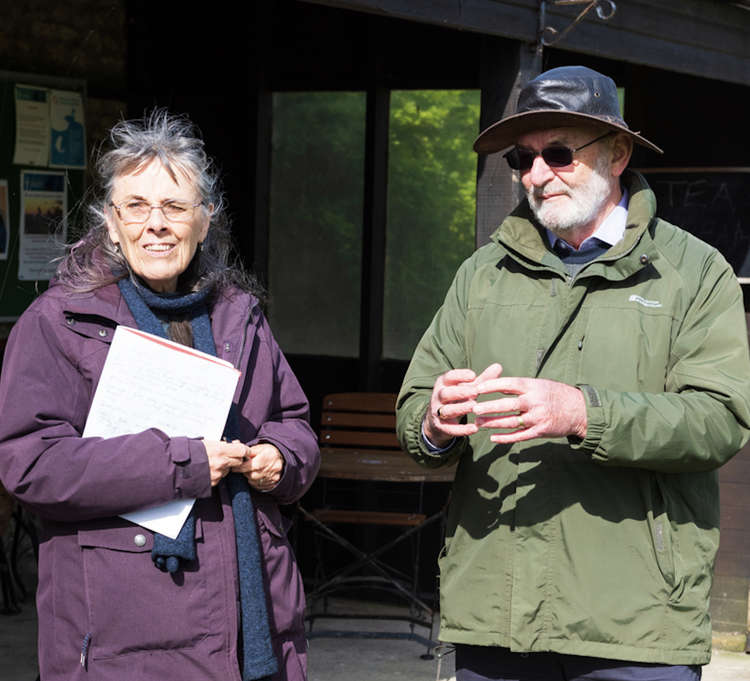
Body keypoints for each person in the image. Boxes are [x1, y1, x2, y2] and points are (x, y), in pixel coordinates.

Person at [396, 65, 750, 681]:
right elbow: (414, 408)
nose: (535, 176)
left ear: (617, 154)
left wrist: (585, 412)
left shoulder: (696, 272)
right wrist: (434, 422)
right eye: (522, 159)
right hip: (494, 617)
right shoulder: (481, 275)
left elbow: (720, 421)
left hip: (637, 625)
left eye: (557, 154)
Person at [0, 111, 320, 681]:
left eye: (175, 207)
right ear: (110, 221)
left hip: (255, 623)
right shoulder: (60, 323)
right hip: (126, 635)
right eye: (137, 207)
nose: (157, 225)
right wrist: (183, 462)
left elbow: (292, 421)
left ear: (205, 221)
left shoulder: (238, 316)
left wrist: (280, 457)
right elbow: (32, 465)